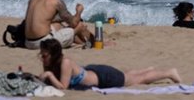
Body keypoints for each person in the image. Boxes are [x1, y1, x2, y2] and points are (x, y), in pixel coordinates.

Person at [38, 39, 182, 90]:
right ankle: (146, 69)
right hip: (93, 72)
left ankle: (169, 73)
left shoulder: (65, 63)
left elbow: (63, 87)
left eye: (44, 55)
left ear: (54, 54)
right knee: (129, 75)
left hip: (104, 78)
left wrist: (49, 75)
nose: (42, 58)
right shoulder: (51, 62)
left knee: (139, 79)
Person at [24, 0, 93, 50]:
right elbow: (74, 23)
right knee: (79, 26)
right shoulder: (56, 2)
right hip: (44, 43)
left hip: (28, 42)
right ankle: (95, 43)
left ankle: (82, 43)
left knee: (58, 25)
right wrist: (79, 11)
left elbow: (43, 17)